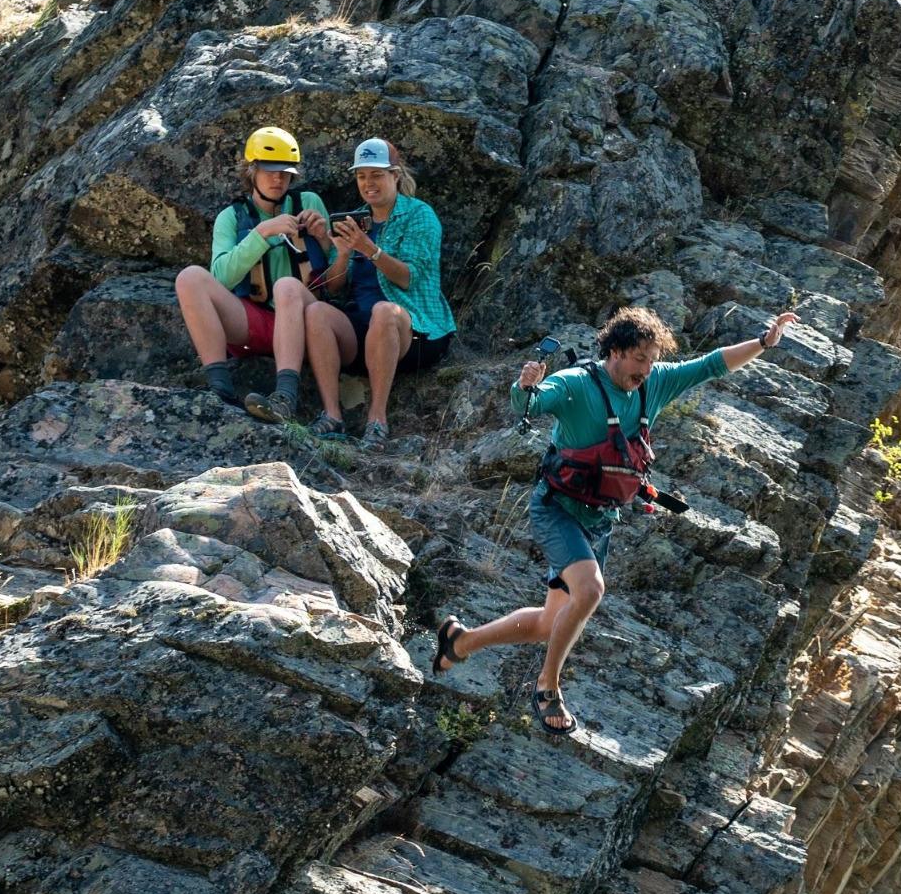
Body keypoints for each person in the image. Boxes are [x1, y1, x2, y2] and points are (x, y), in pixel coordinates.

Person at [428, 306, 801, 735]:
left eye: (652, 360)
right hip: (556, 510)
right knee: (591, 590)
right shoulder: (576, 385)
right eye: (639, 358)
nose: (646, 368)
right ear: (616, 352)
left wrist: (763, 343)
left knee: (550, 624)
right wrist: (524, 386)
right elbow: (532, 401)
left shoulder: (654, 384)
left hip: (599, 520)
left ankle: (462, 641)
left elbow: (712, 365)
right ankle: (547, 687)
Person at [173, 126, 333, 422]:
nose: (278, 178)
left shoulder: (308, 203)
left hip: (304, 322)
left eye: (285, 172)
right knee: (190, 278)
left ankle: (285, 396)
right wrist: (261, 233)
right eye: (269, 170)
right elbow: (220, 277)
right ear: (252, 170)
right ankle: (220, 389)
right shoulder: (231, 217)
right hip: (255, 322)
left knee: (287, 285)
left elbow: (337, 279)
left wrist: (325, 239)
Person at [303, 138, 456, 446]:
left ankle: (377, 419)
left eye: (376, 175)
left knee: (384, 311)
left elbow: (409, 278)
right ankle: (332, 416)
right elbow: (333, 287)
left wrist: (369, 249)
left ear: (395, 175)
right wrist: (344, 253)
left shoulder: (419, 215)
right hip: (362, 329)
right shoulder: (355, 220)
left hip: (416, 330)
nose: (368, 183)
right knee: (316, 311)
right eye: (361, 176)